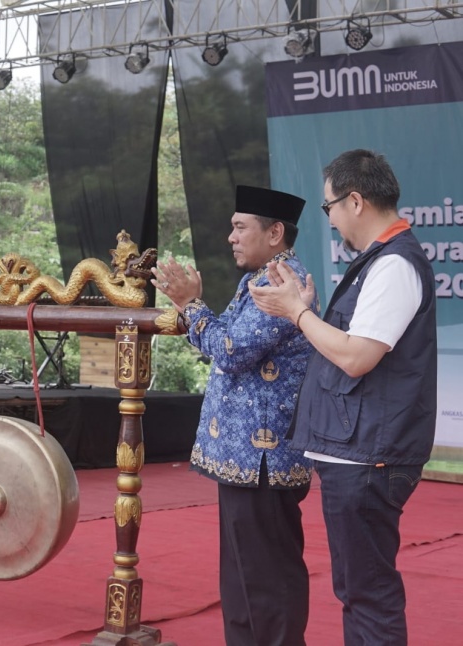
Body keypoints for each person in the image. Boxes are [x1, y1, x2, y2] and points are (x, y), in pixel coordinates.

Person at [250, 149, 436, 645]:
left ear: (355, 201)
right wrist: (306, 308)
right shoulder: (383, 259)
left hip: (369, 456)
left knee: (367, 594)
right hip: (358, 451)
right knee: (359, 589)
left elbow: (356, 357)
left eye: (329, 206)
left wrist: (296, 314)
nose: (329, 219)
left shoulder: (394, 264)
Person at [152, 185, 316, 645]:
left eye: (240, 227)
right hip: (245, 459)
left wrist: (189, 305)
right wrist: (196, 311)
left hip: (264, 460)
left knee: (267, 580)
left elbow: (230, 350)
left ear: (275, 232)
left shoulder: (282, 283)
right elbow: (225, 339)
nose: (231, 237)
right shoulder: (259, 279)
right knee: (243, 581)